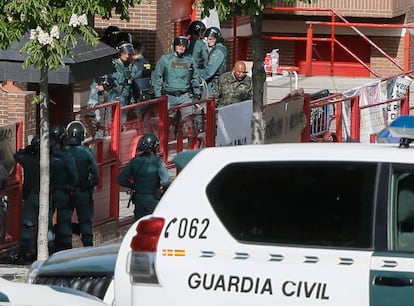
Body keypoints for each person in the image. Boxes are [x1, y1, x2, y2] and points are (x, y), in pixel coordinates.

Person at [117, 133, 171, 221]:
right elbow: (166, 181)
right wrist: (163, 192)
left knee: (139, 225)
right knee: (154, 225)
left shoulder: (134, 161)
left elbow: (121, 179)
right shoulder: (158, 162)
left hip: (138, 199)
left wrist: (133, 186)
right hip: (153, 199)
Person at [65, 121, 99, 247]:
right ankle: (88, 248)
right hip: (83, 191)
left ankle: (64, 248)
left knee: (64, 220)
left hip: (66, 192)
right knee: (85, 222)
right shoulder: (87, 152)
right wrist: (90, 185)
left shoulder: (63, 152)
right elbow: (96, 176)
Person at [152, 35, 202, 120]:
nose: (181, 48)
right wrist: (158, 96)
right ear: (174, 46)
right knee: (167, 124)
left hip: (185, 96)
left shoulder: (189, 60)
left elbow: (195, 76)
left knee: (189, 123)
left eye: (183, 46)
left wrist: (197, 92)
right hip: (169, 97)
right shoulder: (165, 59)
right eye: (179, 45)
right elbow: (156, 77)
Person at [49, 125, 78, 252]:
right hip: (63, 192)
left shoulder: (45, 155)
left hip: (48, 193)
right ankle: (64, 246)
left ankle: (49, 245)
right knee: (64, 220)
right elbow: (74, 175)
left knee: (47, 220)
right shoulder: (66, 156)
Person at [13, 136, 40, 264]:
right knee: (47, 227)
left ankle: (24, 254)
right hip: (46, 197)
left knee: (27, 226)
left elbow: (16, 155)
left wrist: (27, 150)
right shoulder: (51, 160)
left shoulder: (28, 160)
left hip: (30, 196)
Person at [111, 41, 135, 125]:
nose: (127, 56)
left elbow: (130, 85)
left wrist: (132, 99)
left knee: (123, 122)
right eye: (125, 53)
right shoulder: (115, 65)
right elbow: (114, 81)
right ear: (120, 53)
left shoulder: (128, 66)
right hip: (116, 97)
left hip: (126, 97)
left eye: (129, 54)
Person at [203, 27, 228, 97]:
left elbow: (210, 70)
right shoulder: (217, 49)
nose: (208, 41)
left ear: (217, 39)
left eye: (211, 39)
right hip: (215, 83)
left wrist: (200, 77)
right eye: (207, 39)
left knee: (210, 105)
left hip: (214, 85)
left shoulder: (218, 51)